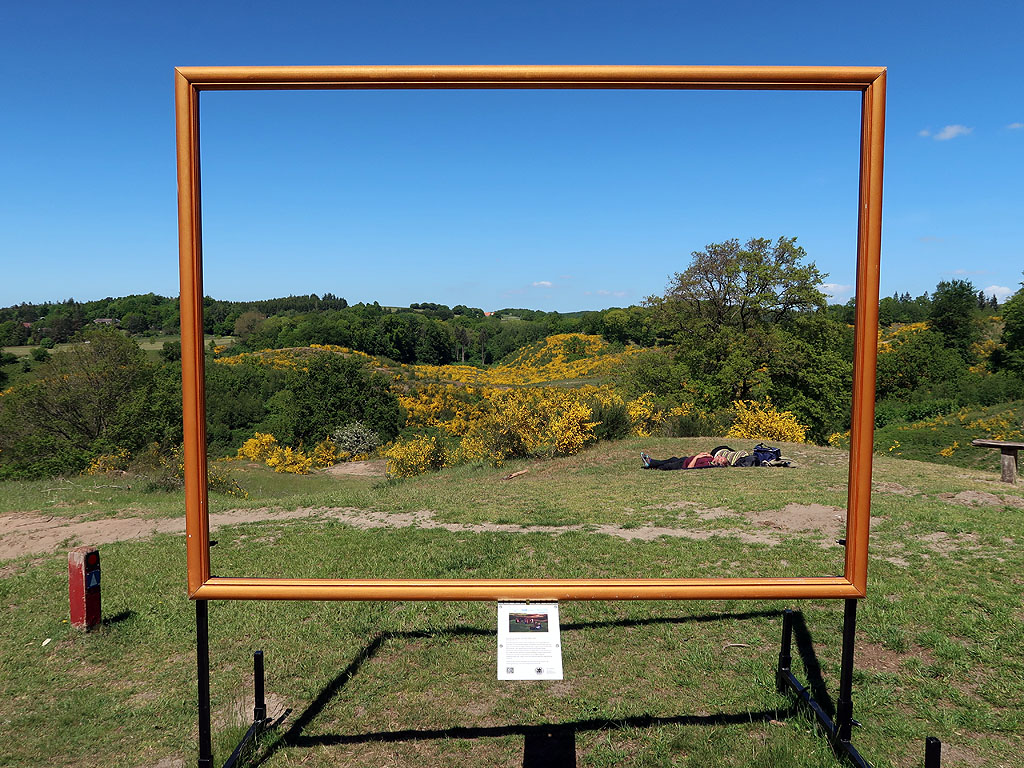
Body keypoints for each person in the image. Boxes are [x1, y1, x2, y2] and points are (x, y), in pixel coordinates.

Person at [640, 450, 728, 470]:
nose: (719, 456)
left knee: (666, 466)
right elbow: (706, 454)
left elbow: (690, 468)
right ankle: (650, 462)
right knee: (672, 459)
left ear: (718, 463)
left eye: (720, 458)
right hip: (685, 459)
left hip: (683, 465)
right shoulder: (711, 458)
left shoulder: (707, 465)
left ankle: (650, 463)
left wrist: (697, 457)